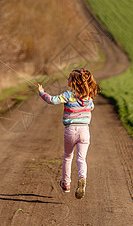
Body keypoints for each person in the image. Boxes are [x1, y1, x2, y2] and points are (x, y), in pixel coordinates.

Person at [38, 68, 100, 199]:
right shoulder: (88, 97)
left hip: (71, 130)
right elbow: (92, 107)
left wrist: (42, 93)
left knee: (67, 156)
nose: (67, 80)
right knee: (81, 159)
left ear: (74, 82)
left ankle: (66, 183)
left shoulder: (68, 94)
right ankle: (82, 177)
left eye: (69, 78)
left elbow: (52, 100)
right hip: (85, 131)